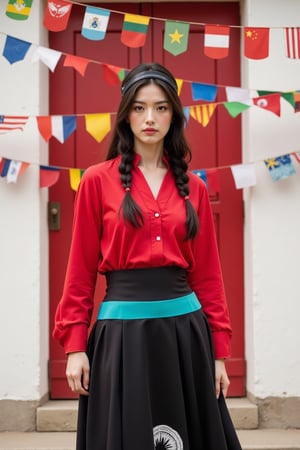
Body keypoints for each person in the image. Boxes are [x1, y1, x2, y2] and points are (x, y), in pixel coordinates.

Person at [53, 62, 242, 450]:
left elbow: (208, 277)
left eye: (160, 108)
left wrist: (219, 353)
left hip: (185, 336)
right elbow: (80, 271)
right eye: (139, 108)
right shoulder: (95, 180)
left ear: (174, 114)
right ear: (125, 115)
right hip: (122, 337)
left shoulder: (195, 188)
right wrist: (74, 346)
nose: (150, 118)